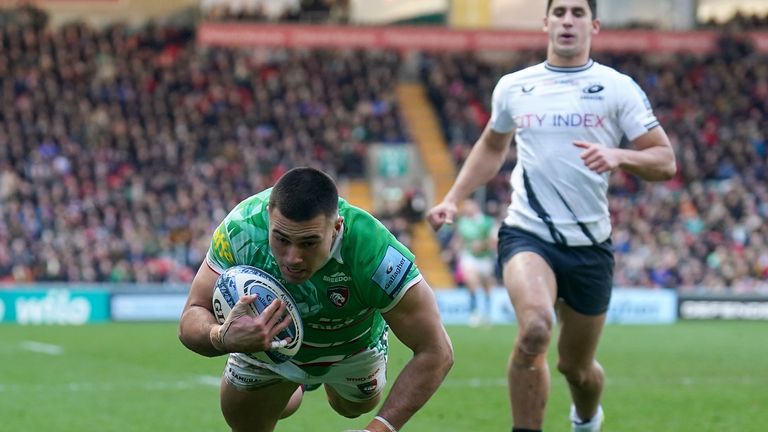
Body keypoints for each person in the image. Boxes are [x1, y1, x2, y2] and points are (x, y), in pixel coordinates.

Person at [426, 1, 676, 431]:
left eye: (578, 12)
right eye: (559, 11)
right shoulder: (515, 87)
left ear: (594, 25)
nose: (567, 20)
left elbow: (665, 160)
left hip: (589, 247)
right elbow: (491, 146)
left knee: (575, 368)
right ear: (545, 22)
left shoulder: (617, 88)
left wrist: (618, 155)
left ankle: (586, 418)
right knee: (535, 330)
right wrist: (453, 197)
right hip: (528, 233)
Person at [179, 167, 454, 432]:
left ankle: (317, 382)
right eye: (281, 239)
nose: (292, 258)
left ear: (336, 227)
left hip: (352, 348)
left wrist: (378, 429)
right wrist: (221, 336)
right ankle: (293, 383)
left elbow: (437, 350)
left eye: (308, 243)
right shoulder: (241, 228)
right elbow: (193, 313)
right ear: (268, 217)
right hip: (268, 347)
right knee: (245, 422)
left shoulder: (373, 249)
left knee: (351, 407)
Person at [452, 198, 498, 326]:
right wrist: (454, 248)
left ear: (476, 206)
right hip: (469, 256)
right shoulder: (462, 222)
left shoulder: (487, 222)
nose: (467, 209)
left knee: (486, 286)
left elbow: (493, 241)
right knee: (471, 281)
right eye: (465, 207)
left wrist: (483, 245)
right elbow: (458, 238)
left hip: (485, 258)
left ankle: (487, 314)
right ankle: (474, 312)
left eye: (469, 206)